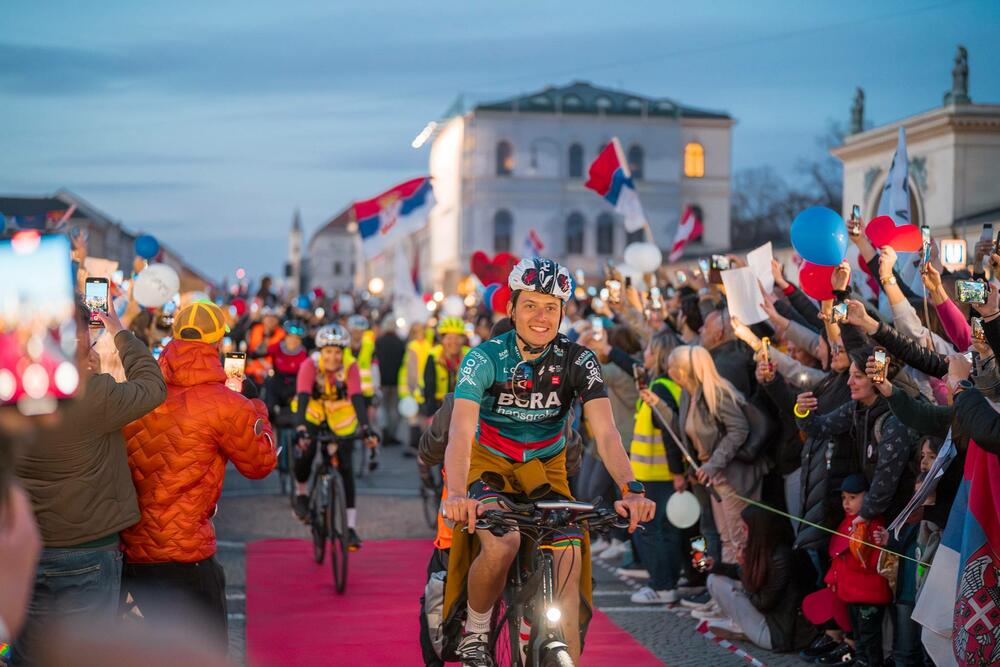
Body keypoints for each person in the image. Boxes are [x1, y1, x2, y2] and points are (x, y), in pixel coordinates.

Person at [440, 257, 655, 666]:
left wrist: (631, 488)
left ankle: (552, 644)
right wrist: (454, 493)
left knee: (569, 558)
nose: (541, 317)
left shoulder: (579, 360)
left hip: (546, 467)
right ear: (512, 308)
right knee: (503, 543)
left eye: (551, 307)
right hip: (490, 463)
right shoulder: (482, 358)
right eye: (531, 305)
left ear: (563, 311)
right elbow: (461, 432)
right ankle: (477, 631)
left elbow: (607, 433)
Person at [11, 305, 167, 665]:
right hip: (90, 549)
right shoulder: (94, 394)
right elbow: (152, 386)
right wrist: (120, 331)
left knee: (28, 656)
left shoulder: (15, 394)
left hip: (29, 548)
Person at [121, 301, 277, 648]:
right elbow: (260, 463)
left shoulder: (138, 389)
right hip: (185, 553)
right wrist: (256, 409)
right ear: (219, 344)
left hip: (129, 548)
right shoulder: (227, 403)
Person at [669, 345, 759, 566]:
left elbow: (739, 430)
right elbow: (684, 434)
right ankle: (725, 591)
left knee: (739, 539)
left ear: (682, 371)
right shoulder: (686, 396)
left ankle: (740, 592)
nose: (668, 371)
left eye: (671, 367)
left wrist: (712, 465)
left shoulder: (716, 393)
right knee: (724, 536)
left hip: (731, 475)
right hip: (710, 475)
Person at [291, 324, 379, 550]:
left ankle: (349, 528)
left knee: (346, 467)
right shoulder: (310, 365)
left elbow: (357, 398)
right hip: (313, 412)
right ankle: (301, 493)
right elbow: (302, 394)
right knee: (307, 450)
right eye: (328, 352)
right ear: (321, 351)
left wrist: (366, 427)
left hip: (340, 416)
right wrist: (301, 427)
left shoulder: (350, 367)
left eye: (337, 352)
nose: (333, 357)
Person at [694, 506, 803, 652]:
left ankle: (740, 626)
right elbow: (738, 573)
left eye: (745, 528)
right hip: (766, 619)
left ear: (759, 530)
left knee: (719, 583)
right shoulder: (764, 548)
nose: (742, 533)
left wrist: (745, 568)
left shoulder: (781, 558)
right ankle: (740, 626)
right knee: (715, 579)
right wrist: (714, 566)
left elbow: (763, 604)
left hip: (774, 634)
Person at [822, 475, 892, 667]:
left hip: (869, 595)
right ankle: (860, 661)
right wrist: (832, 578)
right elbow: (838, 557)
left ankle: (871, 663)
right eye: (844, 498)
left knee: (870, 637)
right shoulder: (846, 522)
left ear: (868, 497)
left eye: (852, 497)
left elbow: (877, 562)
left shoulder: (873, 525)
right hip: (851, 593)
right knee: (858, 635)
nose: (846, 503)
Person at [420, 317, 470, 418]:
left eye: (457, 337)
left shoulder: (470, 356)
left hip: (463, 409)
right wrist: (431, 415)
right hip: (439, 408)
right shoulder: (433, 356)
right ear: (442, 339)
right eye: (449, 337)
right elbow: (429, 388)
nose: (453, 342)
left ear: (463, 339)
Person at [374, 315, 406, 445]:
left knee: (383, 407)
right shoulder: (400, 342)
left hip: (382, 380)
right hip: (396, 380)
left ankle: (385, 432)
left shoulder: (379, 341)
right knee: (394, 409)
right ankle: (392, 434)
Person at [246, 306, 285, 386]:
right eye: (267, 317)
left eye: (273, 318)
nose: (270, 320)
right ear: (263, 319)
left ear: (277, 320)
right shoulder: (256, 329)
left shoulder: (281, 334)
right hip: (253, 371)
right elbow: (252, 351)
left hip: (271, 372)